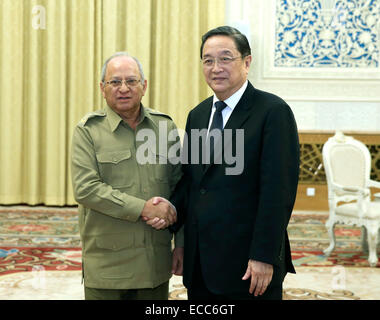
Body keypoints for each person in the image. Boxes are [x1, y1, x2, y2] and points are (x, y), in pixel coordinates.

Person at [170, 26, 300, 300]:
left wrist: (263, 256)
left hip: (248, 266)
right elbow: (193, 183)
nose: (216, 67)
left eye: (225, 58)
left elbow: (279, 193)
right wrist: (166, 209)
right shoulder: (198, 114)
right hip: (201, 264)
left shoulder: (273, 112)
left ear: (247, 62)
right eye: (208, 60)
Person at [71, 52, 183, 300]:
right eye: (115, 82)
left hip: (154, 264)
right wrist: (143, 208)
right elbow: (86, 189)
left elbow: (181, 189)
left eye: (132, 81)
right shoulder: (88, 131)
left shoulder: (165, 128)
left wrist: (182, 243)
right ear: (102, 88)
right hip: (107, 267)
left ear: (144, 86)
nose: (124, 88)